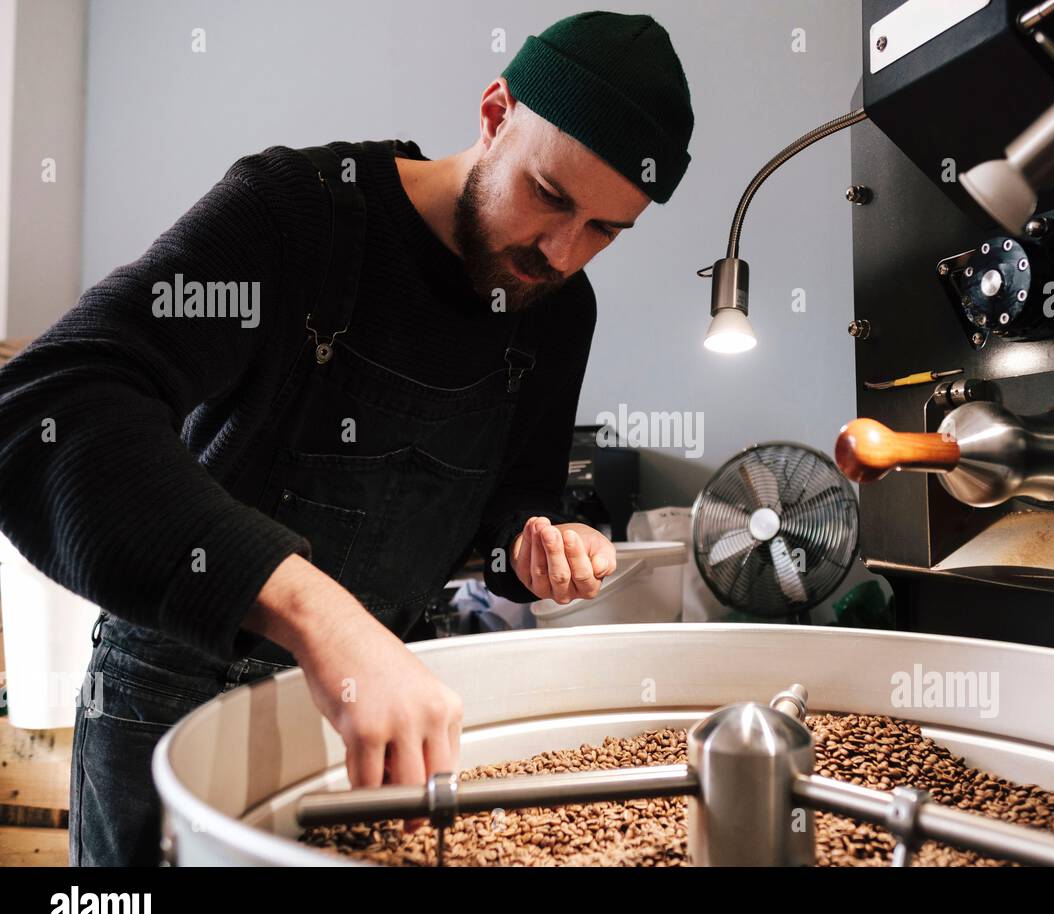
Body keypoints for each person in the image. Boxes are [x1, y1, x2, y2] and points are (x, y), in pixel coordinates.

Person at [0, 10, 694, 865]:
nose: (559, 251)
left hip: (378, 707)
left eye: (602, 231)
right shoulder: (297, 216)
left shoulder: (556, 312)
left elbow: (517, 493)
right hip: (174, 694)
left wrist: (534, 540)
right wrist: (322, 616)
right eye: (549, 196)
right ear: (494, 112)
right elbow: (48, 408)